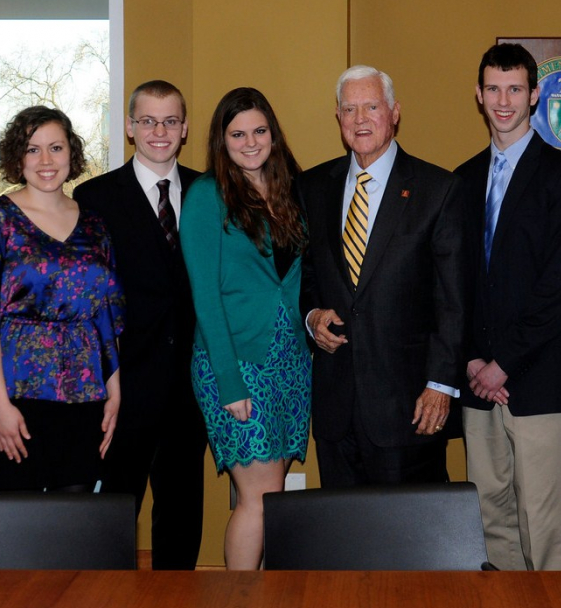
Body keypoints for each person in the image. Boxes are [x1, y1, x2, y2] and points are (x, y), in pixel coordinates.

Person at [455, 43, 561, 571]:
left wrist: (503, 363)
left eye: (515, 89)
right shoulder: (462, 180)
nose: (504, 101)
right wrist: (472, 359)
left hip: (536, 375)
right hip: (477, 380)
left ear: (535, 95)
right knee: (491, 515)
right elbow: (455, 284)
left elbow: (560, 288)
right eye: (493, 89)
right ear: (479, 95)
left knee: (543, 520)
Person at [301, 65, 465, 487]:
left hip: (409, 404)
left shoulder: (437, 188)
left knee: (406, 542)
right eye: (349, 109)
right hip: (336, 405)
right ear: (337, 118)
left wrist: (441, 385)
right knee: (342, 540)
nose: (360, 119)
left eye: (371, 106)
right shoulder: (313, 187)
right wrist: (312, 315)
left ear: (394, 112)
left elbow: (453, 298)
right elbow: (305, 276)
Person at [74, 81, 206, 569]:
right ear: (130, 127)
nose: (159, 131)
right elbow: (87, 302)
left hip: (191, 389)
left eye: (170, 121)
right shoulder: (95, 198)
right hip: (121, 390)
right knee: (111, 520)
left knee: (181, 519)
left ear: (185, 128)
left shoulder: (208, 192)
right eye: (147, 121)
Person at [0, 105, 124, 492]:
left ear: (72, 153)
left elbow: (106, 316)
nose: (46, 160)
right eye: (33, 150)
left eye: (56, 148)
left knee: (78, 519)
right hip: (17, 391)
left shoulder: (95, 223)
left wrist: (115, 393)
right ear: (19, 157)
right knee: (22, 524)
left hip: (86, 391)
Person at [181, 87, 311, 570]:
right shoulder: (206, 196)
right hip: (233, 361)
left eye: (259, 131)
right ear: (222, 139)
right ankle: (239, 597)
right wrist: (229, 382)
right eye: (238, 133)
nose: (250, 141)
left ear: (273, 135)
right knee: (257, 497)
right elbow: (205, 297)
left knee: (268, 495)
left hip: (288, 360)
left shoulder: (289, 191)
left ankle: (259, 592)